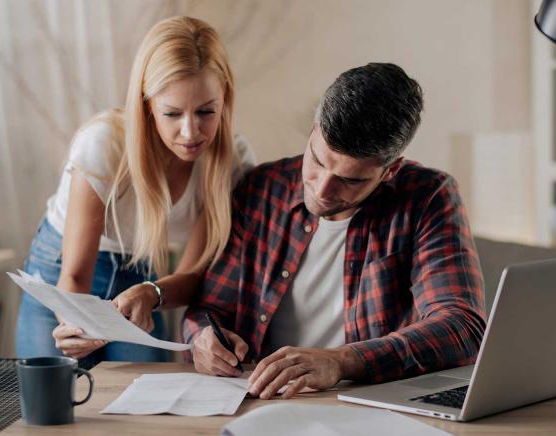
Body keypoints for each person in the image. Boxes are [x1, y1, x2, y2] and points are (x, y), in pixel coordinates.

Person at [183, 63, 486, 399]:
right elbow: (209, 308)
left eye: (350, 180)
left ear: (390, 170)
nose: (323, 190)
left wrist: (341, 362)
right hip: (259, 398)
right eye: (317, 161)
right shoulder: (259, 189)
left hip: (369, 406)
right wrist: (203, 338)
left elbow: (462, 328)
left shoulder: (428, 196)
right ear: (313, 131)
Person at [16, 16, 255, 365]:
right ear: (147, 106)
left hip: (140, 274)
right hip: (62, 271)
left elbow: (192, 277)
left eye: (206, 111)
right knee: (53, 399)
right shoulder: (102, 145)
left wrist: (152, 292)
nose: (191, 133)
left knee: (138, 401)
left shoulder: (231, 162)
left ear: (226, 100)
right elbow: (75, 274)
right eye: (172, 113)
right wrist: (72, 322)